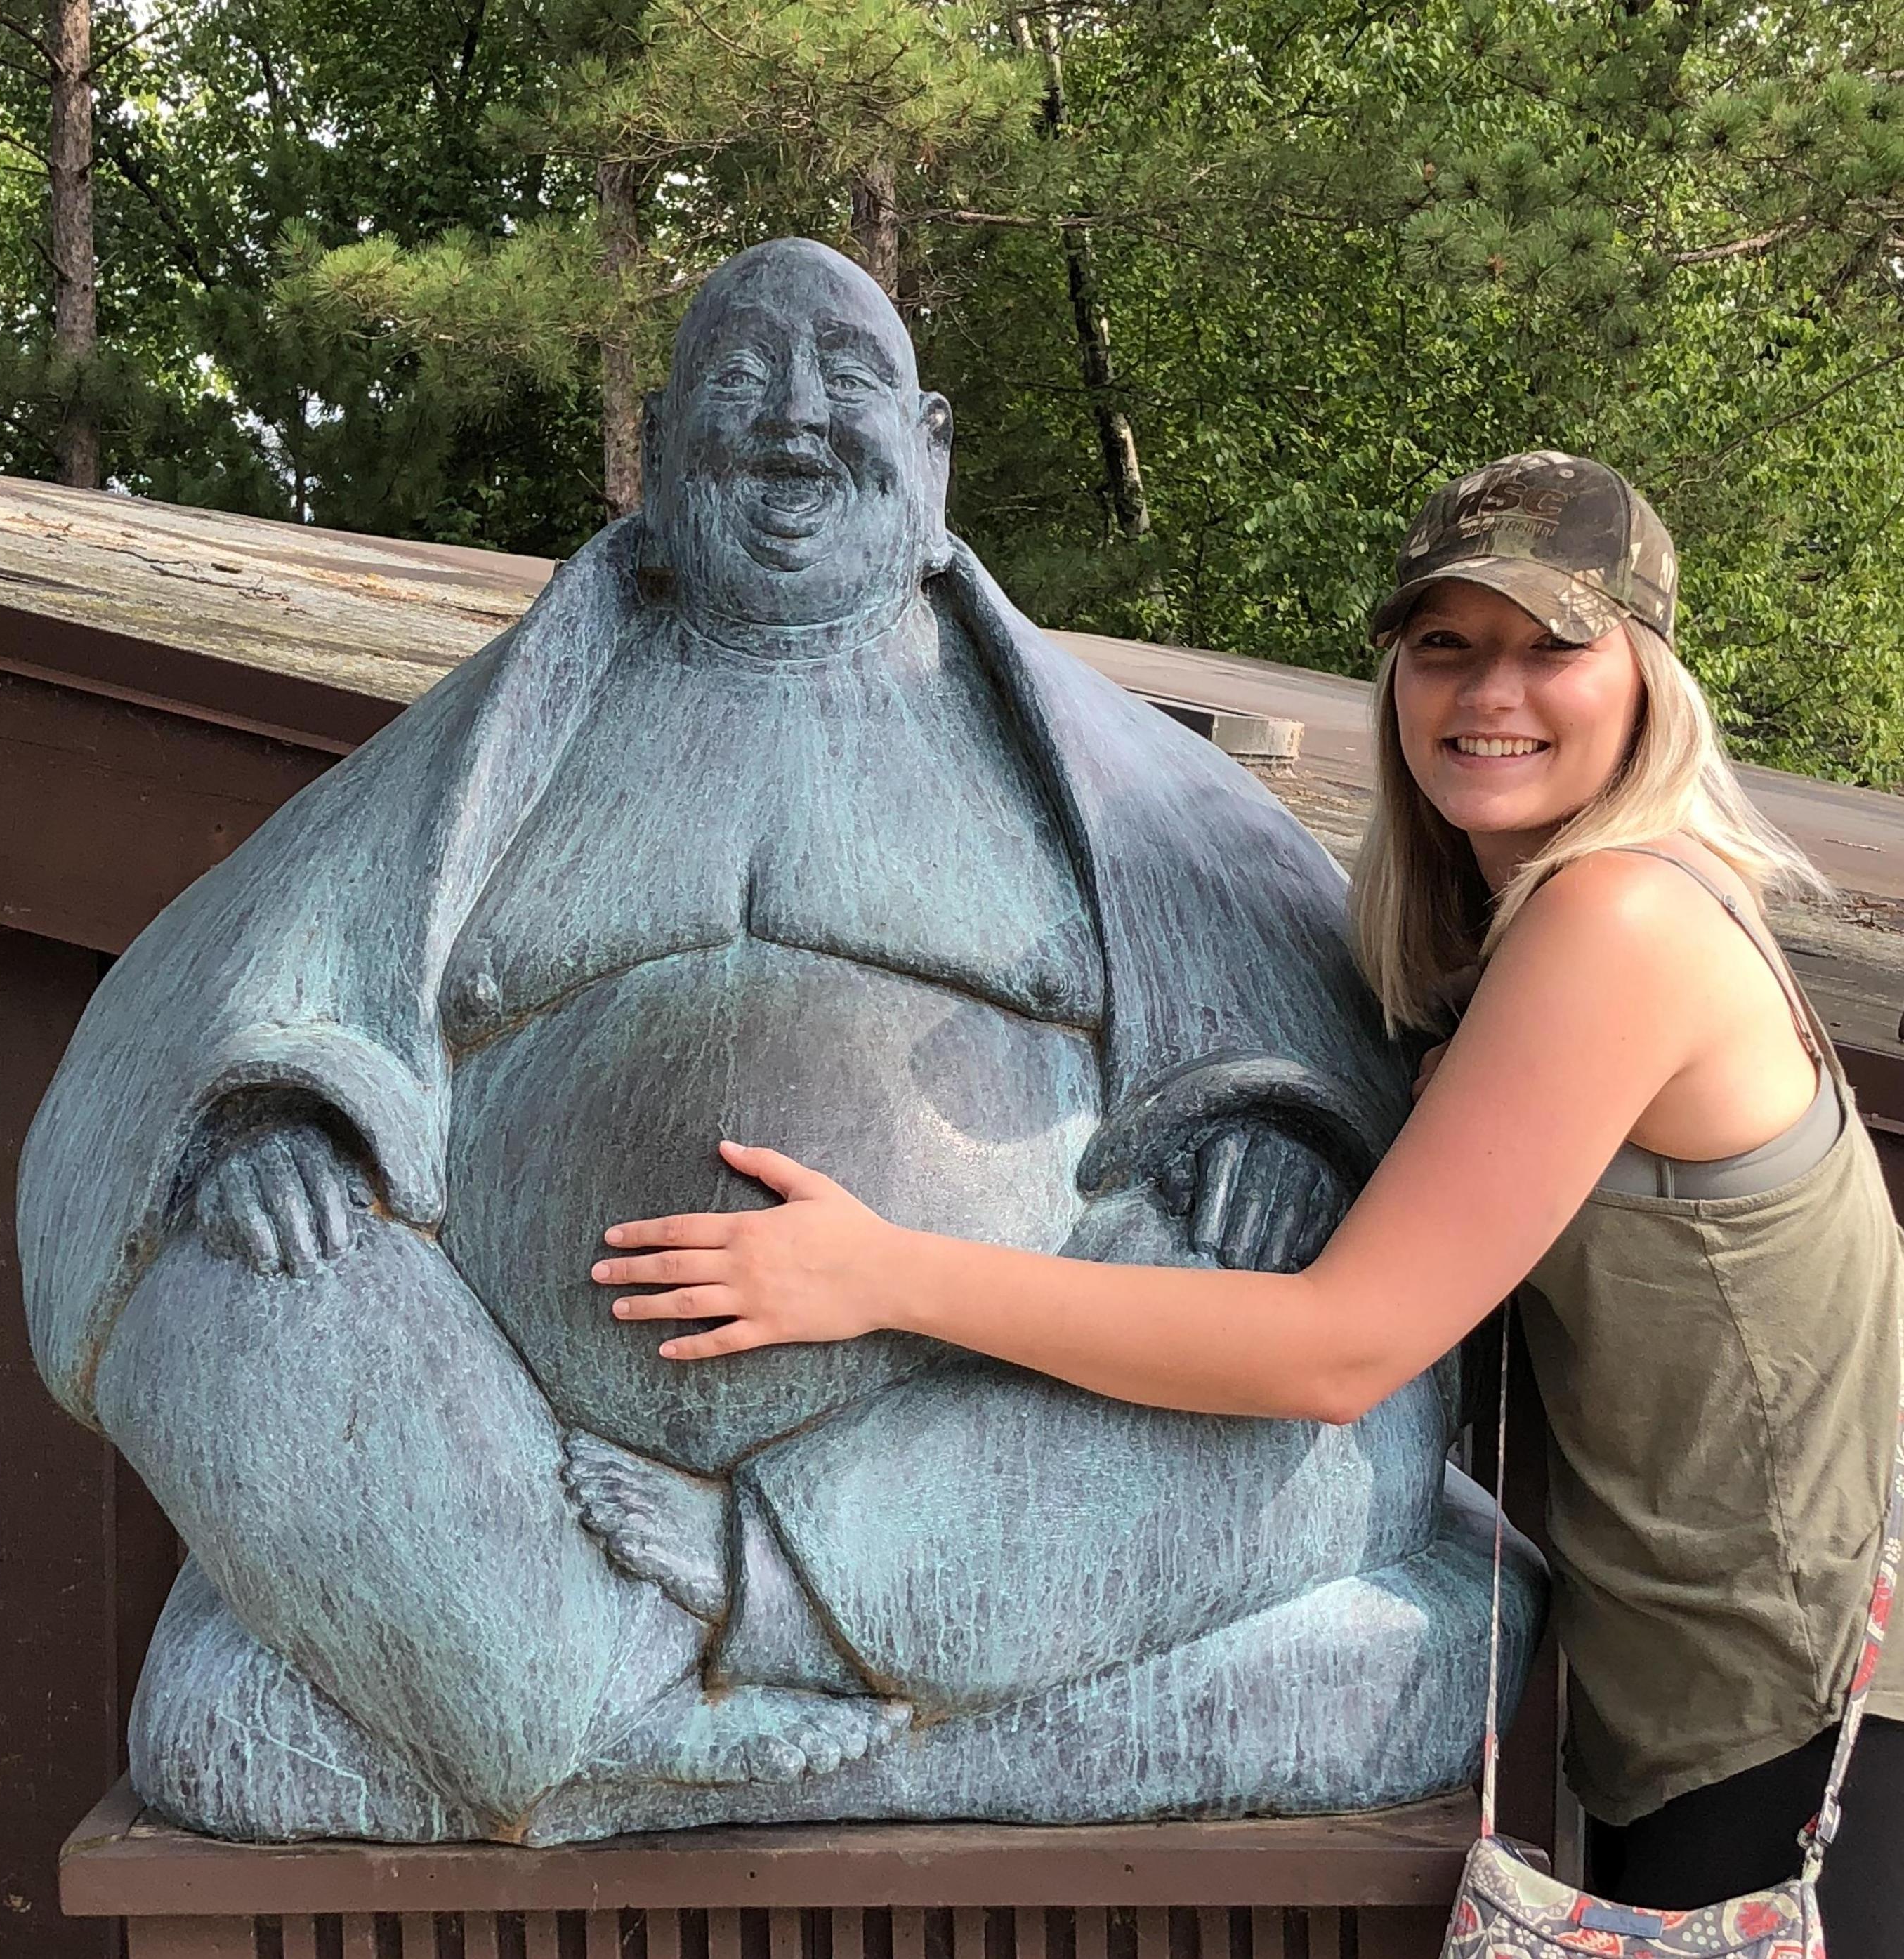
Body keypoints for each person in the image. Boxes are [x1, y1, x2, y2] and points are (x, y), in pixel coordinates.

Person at [593, 451, 1904, 1947]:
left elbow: (1337, 1350)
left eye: (1553, 646)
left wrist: (881, 1275)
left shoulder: (1619, 919)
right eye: (1444, 644)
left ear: (1649, 680)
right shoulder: (1539, 916)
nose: (1490, 692)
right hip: (1703, 1687)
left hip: (1795, 1721)